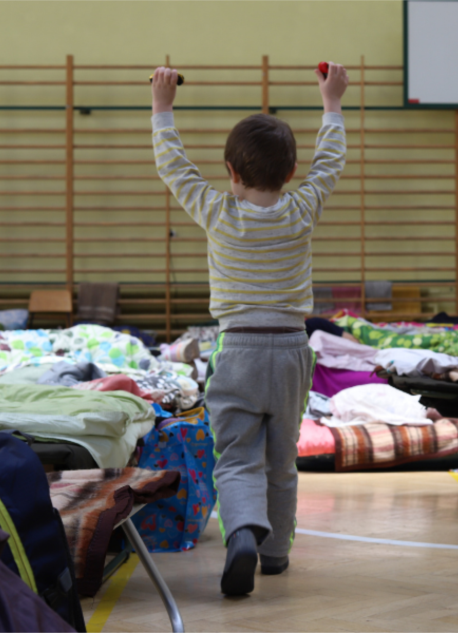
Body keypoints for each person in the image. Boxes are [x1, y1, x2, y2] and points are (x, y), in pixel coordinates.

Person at [150, 62, 349, 596]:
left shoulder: (217, 211)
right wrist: (331, 104)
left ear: (231, 174)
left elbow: (174, 168)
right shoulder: (301, 209)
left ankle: (241, 530)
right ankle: (276, 553)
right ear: (290, 174)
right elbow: (329, 164)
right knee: (282, 459)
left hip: (236, 349)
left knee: (236, 456)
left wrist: (162, 109)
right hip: (288, 352)